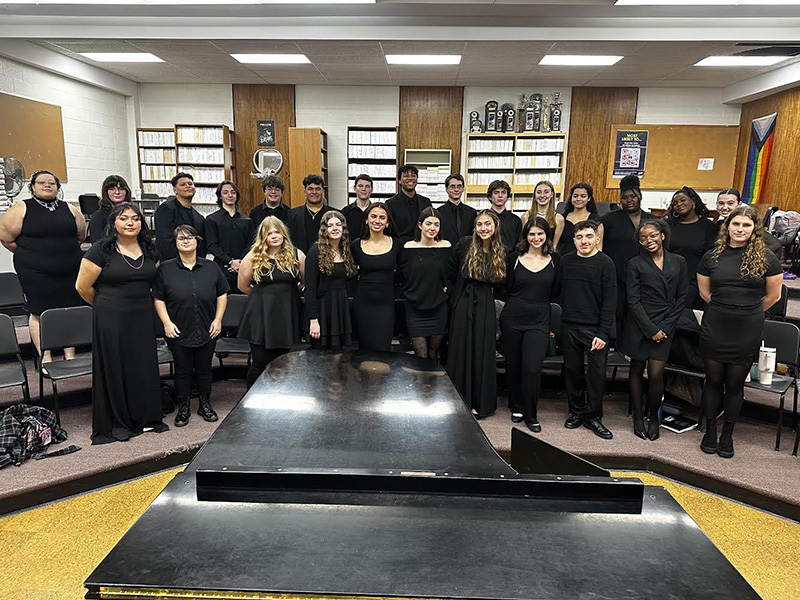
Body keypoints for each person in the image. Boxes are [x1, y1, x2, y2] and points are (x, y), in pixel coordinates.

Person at [75, 202, 168, 444]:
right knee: (116, 365)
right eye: (124, 218)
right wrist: (106, 305)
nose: (130, 223)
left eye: (135, 218)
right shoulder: (100, 250)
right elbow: (82, 287)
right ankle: (120, 418)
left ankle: (144, 416)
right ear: (113, 223)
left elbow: (153, 280)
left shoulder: (151, 250)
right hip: (110, 315)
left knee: (142, 365)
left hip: (142, 314)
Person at [697, 205, 782, 458]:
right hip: (716, 324)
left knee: (734, 384)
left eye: (746, 225)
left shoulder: (767, 257)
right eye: (736, 224)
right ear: (728, 226)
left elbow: (773, 296)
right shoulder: (711, 256)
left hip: (747, 326)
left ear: (754, 229)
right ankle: (710, 431)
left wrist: (747, 310)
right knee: (712, 381)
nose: (740, 229)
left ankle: (727, 435)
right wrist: (725, 307)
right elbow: (704, 293)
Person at [0, 170, 85, 363]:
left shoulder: (69, 209)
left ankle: (69, 354)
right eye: (42, 182)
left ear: (57, 187)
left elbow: (80, 235)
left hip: (69, 270)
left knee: (69, 309)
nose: (47, 185)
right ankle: (45, 357)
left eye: (52, 183)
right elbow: (6, 238)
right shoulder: (22, 207)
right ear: (33, 187)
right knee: (39, 311)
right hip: (35, 273)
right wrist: (33, 254)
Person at [154, 225, 229, 427]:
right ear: (175, 244)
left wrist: (218, 319)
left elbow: (222, 294)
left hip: (207, 327)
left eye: (189, 237)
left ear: (198, 241)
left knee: (205, 368)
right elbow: (158, 298)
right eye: (180, 238)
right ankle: (184, 406)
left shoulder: (212, 267)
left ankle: (205, 404)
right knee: (182, 370)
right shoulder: (165, 269)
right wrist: (166, 323)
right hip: (177, 328)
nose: (185, 241)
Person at [620, 219, 688, 441]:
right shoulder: (635, 263)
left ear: (662, 235)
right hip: (640, 323)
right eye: (643, 238)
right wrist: (650, 329)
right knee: (637, 370)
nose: (648, 240)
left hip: (666, 323)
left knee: (657, 374)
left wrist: (664, 327)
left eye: (652, 235)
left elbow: (682, 296)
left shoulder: (679, 261)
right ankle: (638, 417)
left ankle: (654, 418)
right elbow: (633, 300)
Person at [554, 220, 616, 439]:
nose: (584, 241)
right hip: (570, 325)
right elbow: (556, 291)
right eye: (579, 237)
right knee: (573, 372)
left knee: (597, 376)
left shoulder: (606, 263)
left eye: (589, 236)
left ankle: (593, 417)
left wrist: (603, 333)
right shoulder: (566, 261)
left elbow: (610, 302)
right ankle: (576, 411)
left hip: (596, 331)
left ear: (597, 239)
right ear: (574, 240)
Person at [500, 217, 559, 433]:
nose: (536, 238)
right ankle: (516, 406)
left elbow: (556, 289)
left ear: (547, 236)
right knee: (513, 365)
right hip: (513, 316)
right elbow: (505, 287)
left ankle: (531, 413)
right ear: (526, 236)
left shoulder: (555, 259)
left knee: (532, 367)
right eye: (532, 234)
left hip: (540, 317)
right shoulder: (513, 258)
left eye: (540, 234)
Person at [447, 209, 506, 419]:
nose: (483, 228)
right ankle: (460, 402)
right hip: (464, 300)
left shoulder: (500, 249)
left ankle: (480, 403)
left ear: (495, 226)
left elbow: (502, 284)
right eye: (479, 224)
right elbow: (450, 271)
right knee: (461, 350)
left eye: (487, 224)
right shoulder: (464, 244)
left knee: (482, 350)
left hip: (486, 305)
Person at [238, 217, 306, 388]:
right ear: (263, 237)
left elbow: (304, 283)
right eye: (269, 233)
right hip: (260, 315)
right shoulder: (253, 255)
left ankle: (280, 401)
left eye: (277, 232)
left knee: (284, 362)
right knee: (259, 362)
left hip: (286, 315)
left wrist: (285, 296)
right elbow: (243, 285)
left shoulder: (297, 254)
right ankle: (251, 403)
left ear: (284, 234)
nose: (274, 236)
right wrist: (264, 297)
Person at [601, 175, 653, 341]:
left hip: (644, 276)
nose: (629, 200)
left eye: (633, 196)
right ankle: (616, 348)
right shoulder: (609, 219)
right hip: (617, 275)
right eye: (625, 197)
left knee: (639, 313)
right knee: (617, 312)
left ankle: (633, 346)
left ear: (640, 197)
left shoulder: (652, 220)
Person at [400, 207, 452, 360]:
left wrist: (447, 289)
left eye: (436, 224)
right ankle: (421, 384)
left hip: (438, 307)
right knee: (420, 356)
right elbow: (402, 276)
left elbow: (452, 274)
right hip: (415, 307)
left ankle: (433, 385)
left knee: (433, 354)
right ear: (420, 225)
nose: (432, 228)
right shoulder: (408, 247)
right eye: (428, 224)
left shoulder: (446, 246)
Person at [351, 202, 401, 352]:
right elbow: (350, 273)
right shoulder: (355, 245)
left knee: (383, 348)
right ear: (366, 219)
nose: (377, 221)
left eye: (382, 217)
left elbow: (403, 273)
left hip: (386, 304)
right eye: (373, 216)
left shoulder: (397, 245)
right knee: (364, 349)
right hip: (363, 304)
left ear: (387, 222)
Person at [305, 210, 357, 349]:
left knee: (341, 357)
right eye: (330, 225)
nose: (335, 228)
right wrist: (313, 320)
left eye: (338, 224)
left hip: (341, 308)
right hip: (323, 309)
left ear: (343, 228)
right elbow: (309, 290)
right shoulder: (315, 252)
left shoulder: (347, 250)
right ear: (324, 229)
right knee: (322, 359)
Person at [664, 186, 717, 309]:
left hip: (697, 282)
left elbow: (712, 257)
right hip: (671, 281)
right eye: (675, 203)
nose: (679, 204)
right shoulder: (668, 226)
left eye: (683, 200)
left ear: (693, 202)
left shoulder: (708, 227)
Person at [205, 180, 255, 293]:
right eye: (226, 192)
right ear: (220, 196)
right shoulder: (211, 219)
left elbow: (251, 244)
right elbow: (212, 245)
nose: (230, 195)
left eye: (233, 192)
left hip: (245, 267)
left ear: (237, 196)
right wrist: (231, 262)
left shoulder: (247, 220)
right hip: (222, 269)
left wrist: (241, 262)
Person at [716, 188, 782, 257]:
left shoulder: (749, 221)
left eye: (730, 203)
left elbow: (775, 245)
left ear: (739, 204)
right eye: (721, 203)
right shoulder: (720, 224)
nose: (725, 207)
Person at [154, 172, 206, 261]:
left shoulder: (199, 217)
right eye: (183, 184)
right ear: (175, 190)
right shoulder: (166, 209)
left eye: (190, 184)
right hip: (173, 263)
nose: (188, 186)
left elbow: (202, 243)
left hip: (195, 263)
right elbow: (164, 241)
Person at [286, 174, 333, 254]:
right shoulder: (293, 214)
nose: (314, 192)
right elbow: (288, 240)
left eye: (318, 189)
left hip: (328, 257)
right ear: (305, 191)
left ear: (323, 191)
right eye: (310, 189)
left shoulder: (333, 214)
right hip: (301, 259)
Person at [386, 164, 432, 245]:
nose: (410, 178)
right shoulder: (390, 204)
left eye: (413, 175)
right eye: (406, 176)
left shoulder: (426, 202)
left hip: (423, 247)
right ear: (399, 180)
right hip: (399, 248)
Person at [558, 182, 603, 256]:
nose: (578, 199)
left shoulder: (595, 220)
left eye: (583, 196)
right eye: (575, 196)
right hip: (564, 260)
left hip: (586, 261)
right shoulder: (562, 218)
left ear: (589, 198)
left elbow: (598, 248)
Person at [523, 180, 564, 250]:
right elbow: (524, 241)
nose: (542, 195)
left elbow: (554, 246)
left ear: (552, 194)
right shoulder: (526, 216)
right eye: (539, 192)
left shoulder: (558, 218)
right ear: (534, 195)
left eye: (546, 192)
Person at [438, 173, 477, 246]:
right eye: (452, 186)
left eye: (459, 186)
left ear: (463, 189)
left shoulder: (472, 212)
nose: (456, 189)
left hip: (467, 254)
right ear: (447, 189)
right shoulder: (438, 212)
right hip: (446, 253)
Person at [89, 175, 130, 243]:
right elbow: (97, 243)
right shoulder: (98, 216)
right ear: (106, 192)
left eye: (121, 189)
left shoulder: (133, 214)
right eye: (112, 189)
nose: (117, 192)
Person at [487, 179, 522, 252]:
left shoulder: (516, 220)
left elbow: (519, 245)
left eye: (503, 192)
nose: (500, 196)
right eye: (496, 192)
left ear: (507, 196)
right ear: (490, 196)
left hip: (510, 260)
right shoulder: (483, 219)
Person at [341, 174, 374, 243]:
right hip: (351, 251)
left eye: (367, 186)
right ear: (354, 188)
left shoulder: (376, 212)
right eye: (360, 186)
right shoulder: (345, 212)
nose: (364, 189)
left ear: (372, 189)